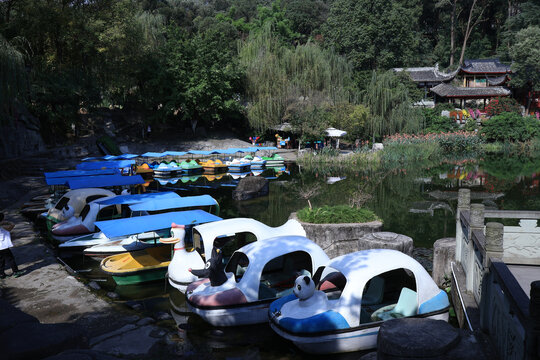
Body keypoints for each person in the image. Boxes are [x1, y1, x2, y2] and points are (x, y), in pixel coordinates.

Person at [0, 213, 22, 278]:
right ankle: (15, 271)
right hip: (4, 246)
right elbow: (12, 224)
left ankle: (1, 274)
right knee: (10, 259)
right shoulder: (4, 227)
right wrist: (4, 222)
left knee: (1, 260)